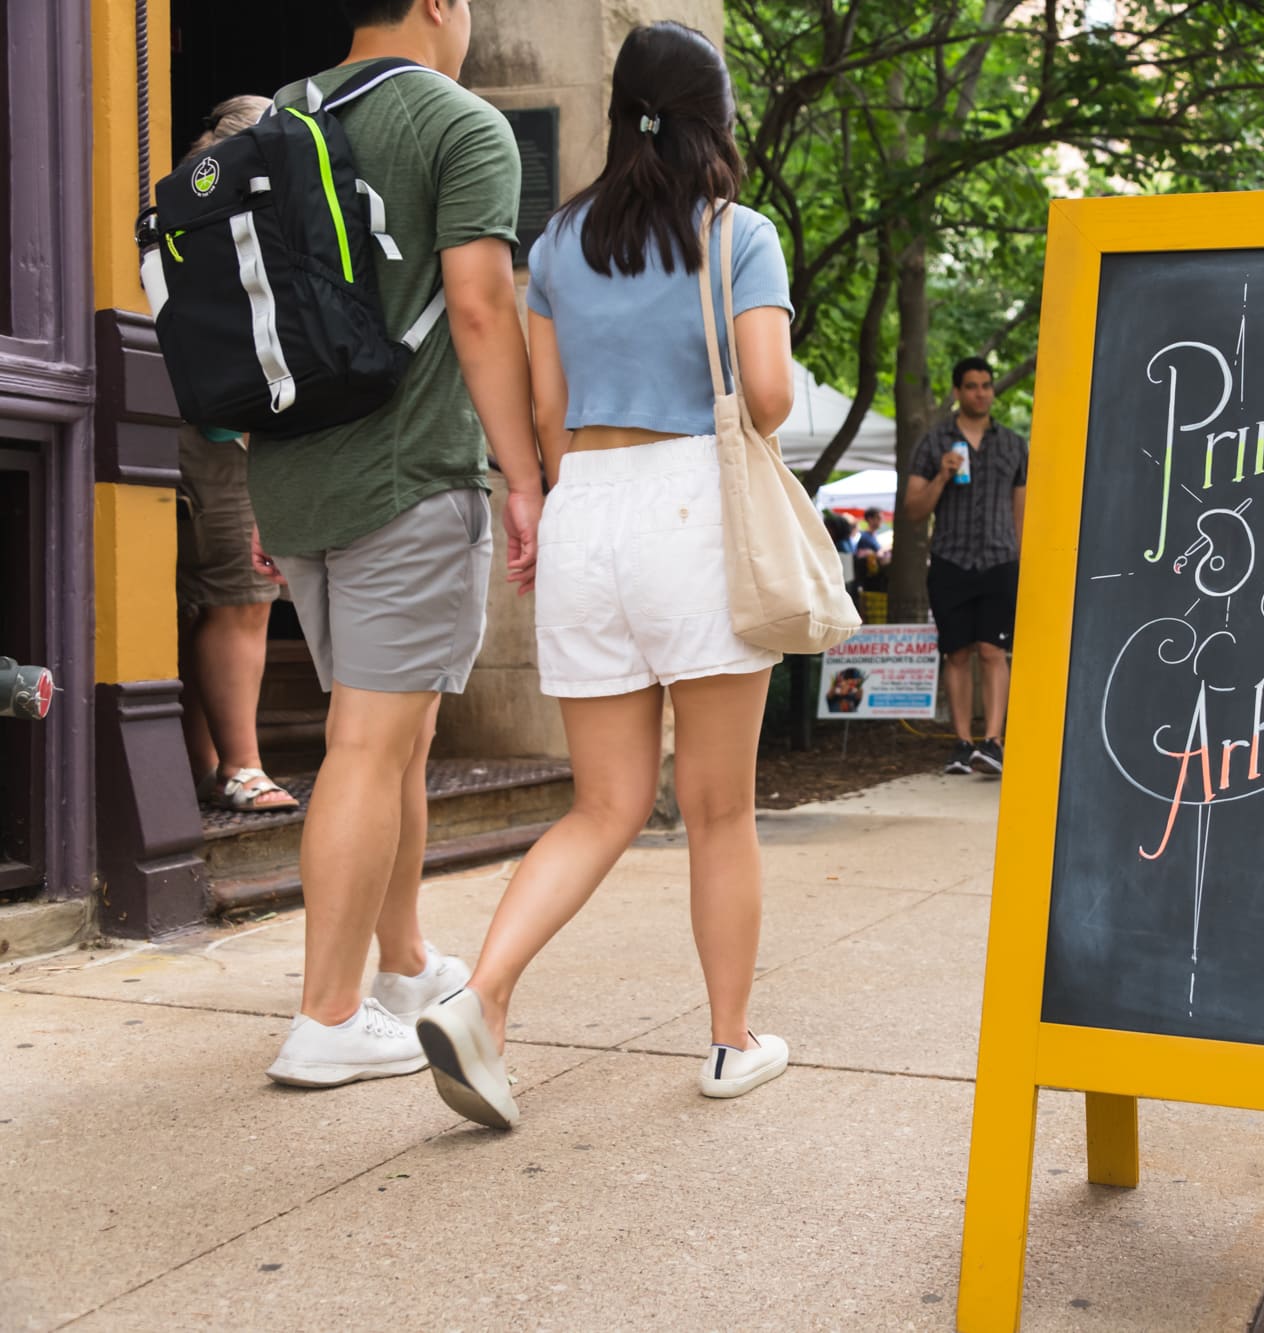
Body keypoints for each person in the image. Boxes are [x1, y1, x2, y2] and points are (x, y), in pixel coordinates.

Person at [413, 20, 795, 1130]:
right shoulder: (738, 234)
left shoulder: (560, 245)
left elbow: (541, 412)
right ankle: (729, 1043)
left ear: (621, 110)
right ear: (713, 116)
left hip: (587, 510)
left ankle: (479, 996)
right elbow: (766, 398)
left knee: (602, 803)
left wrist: (532, 500)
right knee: (717, 810)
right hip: (692, 511)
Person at [254, 0, 543, 1088]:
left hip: (298, 483)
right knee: (368, 747)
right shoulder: (460, 125)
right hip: (407, 476)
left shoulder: (278, 115)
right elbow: (478, 308)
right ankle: (326, 1018)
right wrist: (521, 475)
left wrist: (260, 488)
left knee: (398, 735)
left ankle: (405, 964)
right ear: (436, 2)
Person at [175, 95, 297, 816]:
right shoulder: (236, 224)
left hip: (201, 431)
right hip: (229, 438)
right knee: (241, 602)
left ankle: (212, 765)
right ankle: (243, 767)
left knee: (206, 607)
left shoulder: (183, 220)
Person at [903, 358, 1028, 776]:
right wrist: (941, 476)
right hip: (951, 560)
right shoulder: (934, 442)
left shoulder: (1013, 444)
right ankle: (961, 743)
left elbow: (1021, 509)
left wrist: (1023, 560)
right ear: (957, 392)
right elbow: (914, 510)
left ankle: (993, 742)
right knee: (955, 654)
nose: (981, 393)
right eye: (972, 386)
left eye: (987, 386)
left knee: (994, 651)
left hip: (1000, 561)